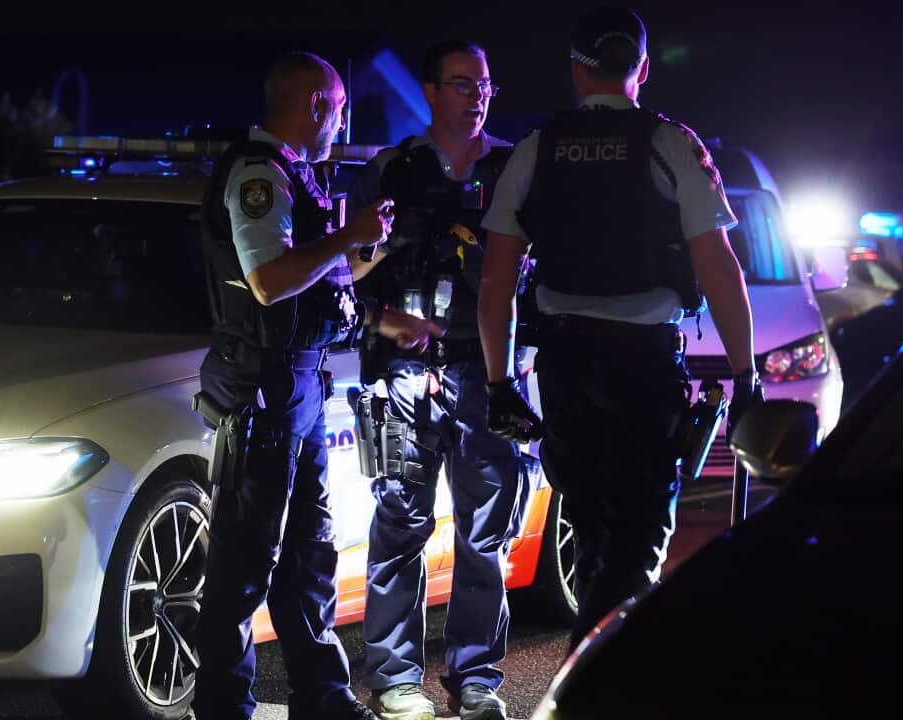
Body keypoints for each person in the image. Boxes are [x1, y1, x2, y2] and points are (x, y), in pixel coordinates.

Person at [476, 6, 764, 651]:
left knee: (596, 536)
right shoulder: (670, 143)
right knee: (636, 546)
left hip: (565, 364)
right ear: (643, 68)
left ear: (575, 70)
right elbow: (718, 267)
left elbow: (496, 279)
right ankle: (596, 677)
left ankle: (592, 671)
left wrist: (499, 383)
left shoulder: (536, 147)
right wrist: (745, 375)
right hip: (642, 364)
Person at [193, 51, 440, 720]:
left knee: (308, 559)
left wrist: (372, 245)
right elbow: (269, 279)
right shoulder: (259, 174)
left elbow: (323, 282)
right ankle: (222, 708)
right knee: (244, 568)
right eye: (336, 108)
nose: (340, 122)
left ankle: (324, 699)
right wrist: (344, 238)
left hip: (296, 388)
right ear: (317, 107)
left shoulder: (294, 176)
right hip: (262, 391)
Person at [344, 41, 526, 720]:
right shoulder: (390, 171)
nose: (476, 96)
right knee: (400, 524)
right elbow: (342, 271)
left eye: (484, 85)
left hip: (486, 372)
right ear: (429, 91)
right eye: (460, 84)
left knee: (487, 533)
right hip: (400, 376)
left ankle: (476, 679)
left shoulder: (513, 169)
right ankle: (396, 680)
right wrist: (383, 317)